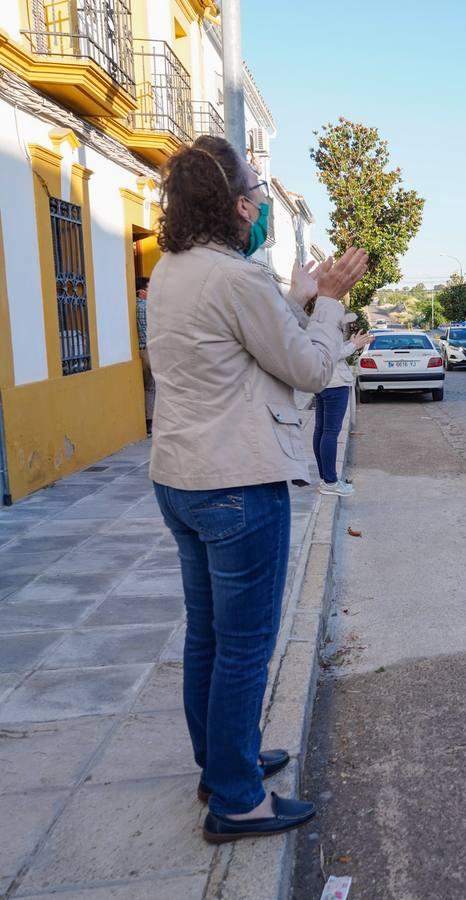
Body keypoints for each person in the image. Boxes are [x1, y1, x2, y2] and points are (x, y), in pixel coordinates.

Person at [148, 135, 369, 843]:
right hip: (238, 482)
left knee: (208, 638)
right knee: (243, 647)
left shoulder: (175, 268)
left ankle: (223, 765)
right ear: (237, 204)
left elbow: (252, 351)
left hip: (180, 478)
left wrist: (299, 299)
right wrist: (329, 303)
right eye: (255, 191)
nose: (260, 201)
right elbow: (306, 368)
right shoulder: (237, 278)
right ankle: (238, 800)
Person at [312, 318, 374, 496]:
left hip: (323, 382)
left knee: (321, 430)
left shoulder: (315, 327)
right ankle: (330, 482)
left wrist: (352, 342)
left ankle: (326, 479)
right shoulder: (326, 327)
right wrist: (353, 345)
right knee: (330, 432)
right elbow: (331, 355)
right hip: (335, 384)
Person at [136, 277, 154, 433]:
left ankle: (149, 421)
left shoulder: (137, 305)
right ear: (141, 292)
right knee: (153, 385)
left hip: (142, 349)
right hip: (148, 349)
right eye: (149, 289)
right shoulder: (144, 307)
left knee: (149, 386)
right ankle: (151, 421)